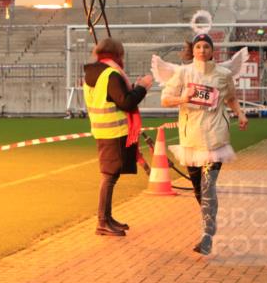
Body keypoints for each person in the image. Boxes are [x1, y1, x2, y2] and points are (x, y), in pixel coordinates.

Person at [161, 33, 248, 255]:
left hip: (215, 139)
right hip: (191, 140)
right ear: (193, 50)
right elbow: (165, 99)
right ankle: (210, 221)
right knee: (199, 189)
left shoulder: (223, 74)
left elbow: (231, 97)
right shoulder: (183, 73)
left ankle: (207, 235)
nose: (202, 50)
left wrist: (240, 113)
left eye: (206, 46)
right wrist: (184, 98)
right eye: (198, 46)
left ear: (212, 50)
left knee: (208, 188)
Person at [83, 38, 153, 237]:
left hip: (103, 130)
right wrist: (142, 87)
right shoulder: (110, 74)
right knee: (109, 176)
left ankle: (107, 218)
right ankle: (102, 222)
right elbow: (126, 102)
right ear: (117, 55)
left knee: (110, 176)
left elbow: (113, 97)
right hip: (114, 132)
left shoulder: (93, 73)